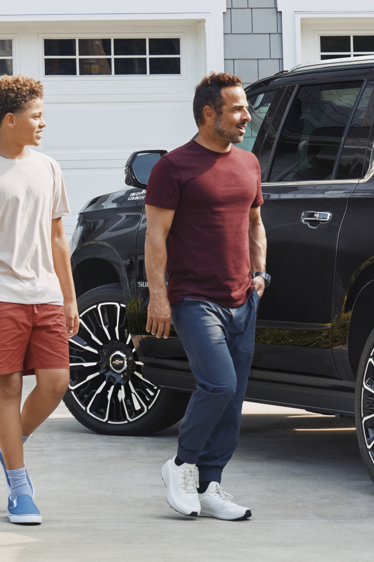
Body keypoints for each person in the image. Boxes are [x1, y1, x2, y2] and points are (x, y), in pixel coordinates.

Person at [0, 75, 77, 525]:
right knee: (7, 388)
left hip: (44, 293)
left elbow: (59, 236)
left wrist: (69, 297)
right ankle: (20, 487)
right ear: (10, 120)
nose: (43, 123)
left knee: (56, 383)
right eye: (36, 116)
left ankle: (8, 443)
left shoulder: (48, 167)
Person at [147, 72, 267, 520]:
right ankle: (180, 465)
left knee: (233, 400)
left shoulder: (249, 163)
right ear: (208, 113)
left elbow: (255, 223)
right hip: (195, 297)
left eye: (245, 109)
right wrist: (158, 297)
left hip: (242, 297)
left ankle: (211, 484)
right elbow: (155, 237)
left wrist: (261, 274)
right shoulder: (173, 167)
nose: (246, 117)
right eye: (237, 109)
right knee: (219, 384)